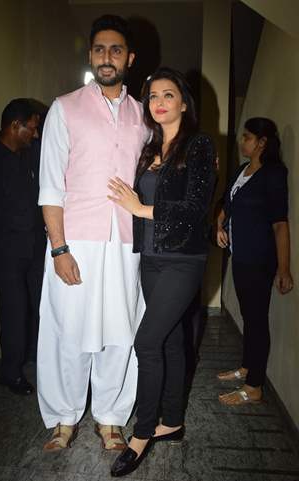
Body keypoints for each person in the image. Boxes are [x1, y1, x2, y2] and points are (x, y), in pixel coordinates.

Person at [37, 14, 149, 452]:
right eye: (100, 49)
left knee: (121, 332)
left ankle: (111, 418)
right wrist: (58, 247)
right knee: (68, 329)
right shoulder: (64, 108)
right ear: (90, 55)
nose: (107, 57)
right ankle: (63, 418)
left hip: (125, 241)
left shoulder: (144, 115)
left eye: (116, 50)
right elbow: (50, 185)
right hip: (75, 240)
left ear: (130, 58)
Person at [108, 67, 217, 477]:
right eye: (153, 96)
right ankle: (172, 421)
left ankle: (142, 433)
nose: (159, 102)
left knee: (147, 342)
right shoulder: (149, 147)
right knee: (169, 341)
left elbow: (194, 211)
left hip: (182, 260)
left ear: (184, 103)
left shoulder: (199, 146)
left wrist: (139, 208)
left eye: (168, 95)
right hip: (150, 259)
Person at [216, 117, 293, 405]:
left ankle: (254, 386)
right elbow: (228, 203)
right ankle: (247, 366)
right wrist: (220, 224)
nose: (241, 141)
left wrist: (283, 268)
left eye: (247, 137)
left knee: (257, 320)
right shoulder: (242, 170)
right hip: (241, 255)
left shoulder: (274, 174)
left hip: (260, 259)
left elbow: (280, 224)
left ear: (262, 142)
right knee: (249, 316)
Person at [0, 98, 46, 395]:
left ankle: (32, 354)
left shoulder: (30, 155)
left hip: (34, 244)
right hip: (3, 247)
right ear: (14, 125)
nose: (35, 134)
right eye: (31, 128)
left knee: (39, 303)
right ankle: (10, 372)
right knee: (14, 308)